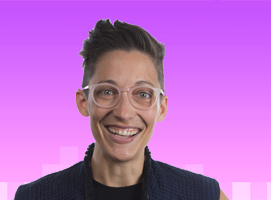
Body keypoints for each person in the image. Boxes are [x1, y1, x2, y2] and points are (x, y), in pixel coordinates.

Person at [14, 19, 229, 200]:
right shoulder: (34, 196)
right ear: (83, 102)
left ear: (161, 108)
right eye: (107, 92)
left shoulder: (204, 195)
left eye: (143, 94)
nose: (124, 113)